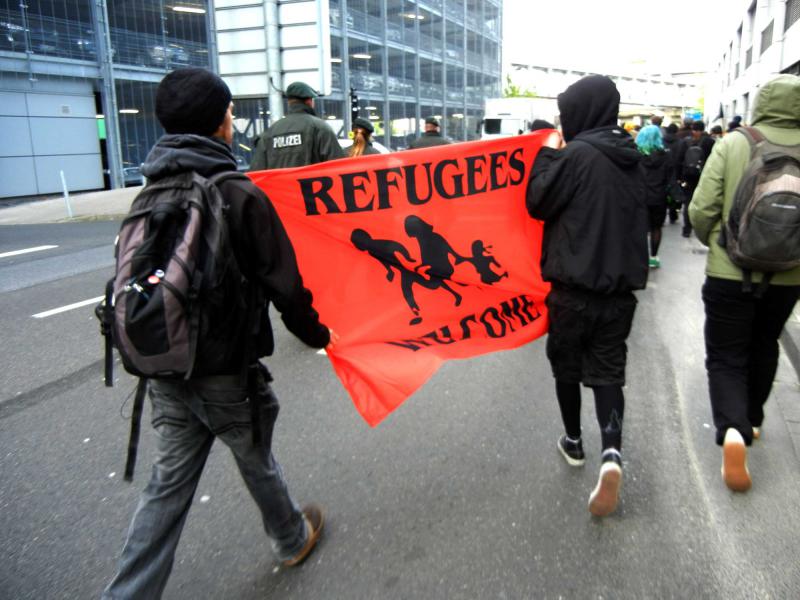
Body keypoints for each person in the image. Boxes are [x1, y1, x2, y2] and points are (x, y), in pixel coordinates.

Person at [102, 68, 334, 599]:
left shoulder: (151, 192)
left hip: (164, 366)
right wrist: (320, 336)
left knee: (166, 488)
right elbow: (286, 287)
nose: (231, 121)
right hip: (224, 368)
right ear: (219, 123)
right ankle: (291, 536)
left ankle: (127, 593)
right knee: (254, 453)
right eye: (228, 113)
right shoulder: (235, 192)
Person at [526, 75, 649, 517]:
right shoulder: (633, 156)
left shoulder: (575, 155)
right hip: (619, 294)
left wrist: (545, 153)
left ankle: (574, 442)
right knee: (608, 371)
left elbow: (537, 201)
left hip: (572, 290)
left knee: (567, 365)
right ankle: (611, 452)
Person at [688, 74, 800, 493]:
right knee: (765, 342)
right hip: (789, 274)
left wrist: (715, 244)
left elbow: (702, 208)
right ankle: (751, 420)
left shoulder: (735, 142)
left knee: (725, 353)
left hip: (729, 271)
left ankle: (731, 429)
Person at [249, 81, 344, 170]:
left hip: (278, 188)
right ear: (309, 101)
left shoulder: (270, 132)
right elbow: (338, 166)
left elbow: (256, 171)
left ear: (289, 102)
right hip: (312, 187)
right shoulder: (320, 128)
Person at [636, 125, 670, 268]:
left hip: (640, 197)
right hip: (659, 197)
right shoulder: (666, 155)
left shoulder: (636, 156)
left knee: (640, 228)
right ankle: (654, 257)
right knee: (656, 227)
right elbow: (670, 178)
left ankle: (639, 257)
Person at [676, 120, 715, 237]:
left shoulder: (685, 141)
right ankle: (700, 227)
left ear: (692, 129)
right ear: (703, 129)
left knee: (688, 202)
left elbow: (679, 160)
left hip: (688, 177)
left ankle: (687, 229)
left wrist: (679, 177)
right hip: (704, 177)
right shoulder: (710, 142)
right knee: (703, 202)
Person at [662, 122, 683, 224]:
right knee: (674, 191)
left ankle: (662, 212)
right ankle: (673, 213)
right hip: (676, 170)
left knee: (664, 191)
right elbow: (682, 159)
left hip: (663, 170)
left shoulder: (661, 141)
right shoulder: (680, 142)